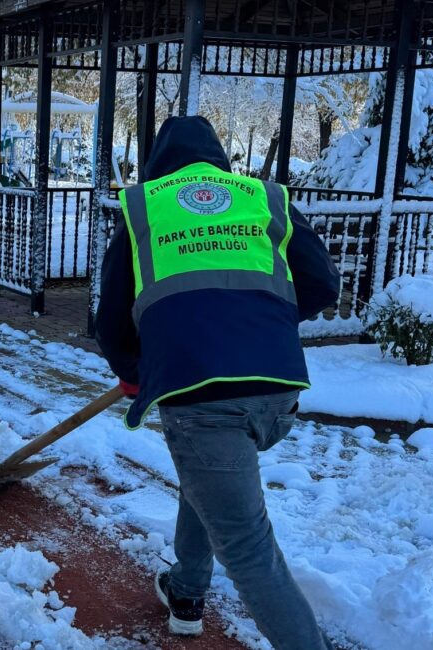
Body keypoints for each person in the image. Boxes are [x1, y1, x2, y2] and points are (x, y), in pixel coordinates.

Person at [95, 116, 340, 650]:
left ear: (158, 161)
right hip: (277, 393)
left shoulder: (144, 207)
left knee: (250, 551)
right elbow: (322, 282)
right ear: (219, 159)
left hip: (202, 399)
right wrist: (257, 325)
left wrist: (134, 375)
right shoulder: (260, 198)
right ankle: (186, 591)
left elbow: (110, 322)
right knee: (204, 478)